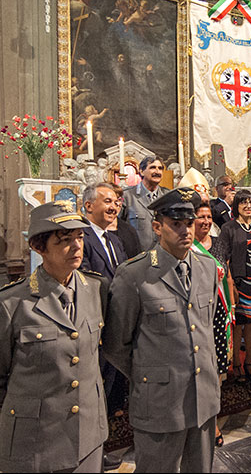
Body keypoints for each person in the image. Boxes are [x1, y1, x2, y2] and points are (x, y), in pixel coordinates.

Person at [0, 201, 109, 472]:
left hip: (88, 436)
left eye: (79, 237)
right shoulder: (11, 303)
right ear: (39, 247)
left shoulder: (95, 289)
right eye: (64, 240)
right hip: (36, 440)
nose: (76, 246)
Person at [102, 188, 220, 473]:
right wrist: (152, 374)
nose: (185, 231)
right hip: (159, 402)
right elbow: (116, 343)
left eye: (188, 223)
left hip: (202, 398)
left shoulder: (206, 267)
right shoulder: (134, 275)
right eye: (175, 224)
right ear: (157, 227)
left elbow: (204, 325)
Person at [80, 182, 139, 471]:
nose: (114, 206)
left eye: (116, 201)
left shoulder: (114, 240)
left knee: (109, 386)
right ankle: (91, 453)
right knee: (94, 391)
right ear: (89, 205)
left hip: (115, 323)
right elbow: (87, 282)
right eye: (107, 201)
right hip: (95, 323)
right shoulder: (82, 238)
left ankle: (101, 447)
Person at [211, 189, 251, 384]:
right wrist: (231, 282)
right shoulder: (228, 228)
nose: (248, 206)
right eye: (243, 202)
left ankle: (249, 362)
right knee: (239, 324)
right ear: (236, 207)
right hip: (239, 282)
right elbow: (224, 257)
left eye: (250, 202)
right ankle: (236, 364)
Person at [191, 200, 234, 448]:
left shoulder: (218, 244)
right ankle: (203, 420)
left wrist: (232, 308)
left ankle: (213, 416)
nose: (206, 221)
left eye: (208, 217)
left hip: (220, 315)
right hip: (199, 317)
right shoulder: (187, 248)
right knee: (202, 369)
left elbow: (226, 275)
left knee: (217, 371)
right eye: (201, 217)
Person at [120, 155, 169, 251]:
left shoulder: (168, 196)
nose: (157, 171)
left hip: (163, 256)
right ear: (141, 171)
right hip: (136, 257)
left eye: (160, 168)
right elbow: (117, 228)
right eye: (152, 167)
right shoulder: (127, 196)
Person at [180, 168, 220, 237]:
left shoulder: (215, 228)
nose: (204, 206)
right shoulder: (181, 230)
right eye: (200, 203)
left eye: (206, 202)